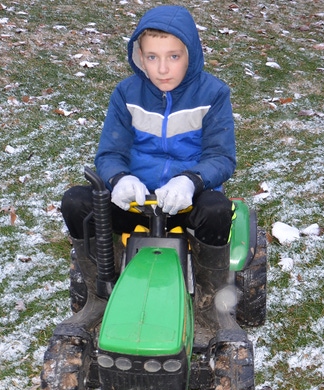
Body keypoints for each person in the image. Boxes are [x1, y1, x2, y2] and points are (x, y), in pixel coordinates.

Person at [60, 5, 236, 341]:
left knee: (217, 211)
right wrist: (119, 179)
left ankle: (208, 307)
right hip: (136, 201)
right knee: (76, 202)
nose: (163, 68)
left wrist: (191, 180)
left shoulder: (213, 94)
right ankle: (101, 296)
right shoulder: (127, 94)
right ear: (139, 56)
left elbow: (222, 157)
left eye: (173, 56)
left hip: (187, 203)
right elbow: (110, 152)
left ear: (192, 54)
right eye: (152, 57)